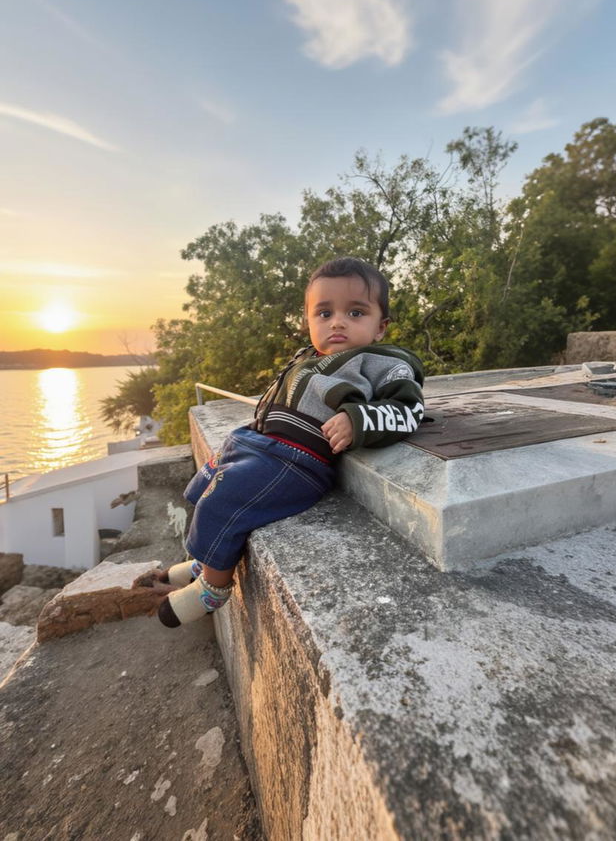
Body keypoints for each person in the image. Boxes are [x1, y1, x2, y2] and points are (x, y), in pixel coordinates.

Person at [140, 257, 425, 627]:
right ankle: (204, 560)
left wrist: (358, 420)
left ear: (380, 327)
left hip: (295, 462)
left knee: (226, 496)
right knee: (205, 482)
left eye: (355, 313)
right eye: (324, 313)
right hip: (259, 444)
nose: (337, 321)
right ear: (309, 321)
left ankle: (213, 587)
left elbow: (408, 409)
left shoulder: (382, 362)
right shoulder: (309, 358)